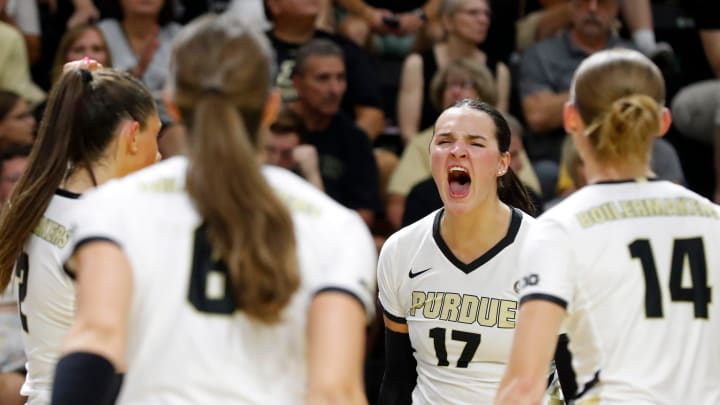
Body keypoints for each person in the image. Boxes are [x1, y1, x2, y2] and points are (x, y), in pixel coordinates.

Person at [50, 14, 377, 404]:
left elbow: (96, 339)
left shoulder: (113, 206)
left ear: (172, 104)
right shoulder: (335, 225)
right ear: (272, 106)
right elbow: (334, 391)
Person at [496, 48, 720, 404]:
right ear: (662, 122)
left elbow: (524, 386)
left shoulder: (559, 229)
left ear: (571, 118)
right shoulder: (713, 220)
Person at [0, 60, 162, 405]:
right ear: (133, 135)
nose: (159, 154)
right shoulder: (106, 226)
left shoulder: (37, 197)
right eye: (155, 135)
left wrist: (85, 87)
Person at [377, 99, 536, 404]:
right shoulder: (401, 250)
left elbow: (575, 379)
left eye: (475, 143)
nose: (457, 151)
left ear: (503, 163)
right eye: (445, 141)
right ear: (430, 156)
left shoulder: (542, 249)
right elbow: (397, 379)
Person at [397, 0, 511, 144]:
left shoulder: (500, 71)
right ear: (447, 21)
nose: (483, 20)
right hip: (426, 154)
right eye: (473, 13)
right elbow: (408, 133)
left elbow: (499, 132)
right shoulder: (417, 64)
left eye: (486, 14)